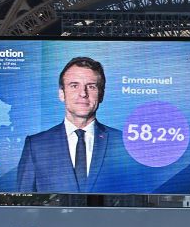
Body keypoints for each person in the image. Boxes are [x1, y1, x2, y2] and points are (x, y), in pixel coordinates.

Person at [15, 56, 125, 193]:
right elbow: (22, 201)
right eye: (74, 86)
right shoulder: (36, 145)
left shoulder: (123, 142)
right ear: (62, 94)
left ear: (101, 94)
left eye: (91, 86)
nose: (83, 94)